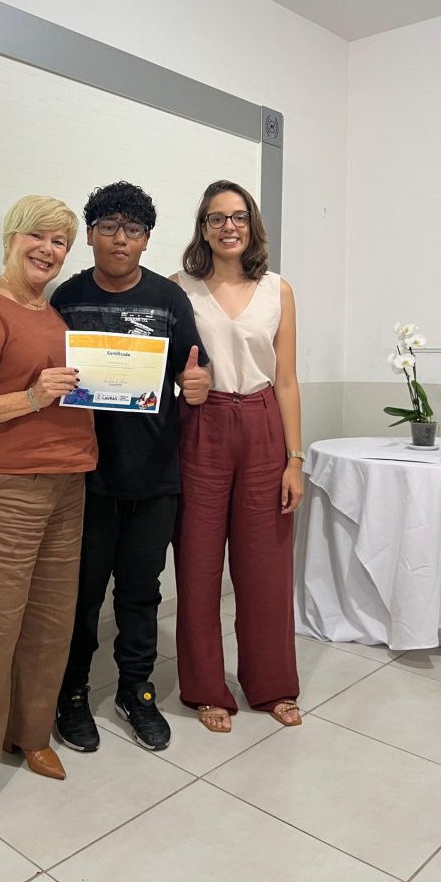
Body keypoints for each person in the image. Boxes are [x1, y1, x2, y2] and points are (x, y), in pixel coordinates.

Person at [0, 195, 97, 834]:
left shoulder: (56, 317)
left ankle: (31, 736)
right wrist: (31, 398)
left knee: (50, 624)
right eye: (38, 236)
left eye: (61, 242)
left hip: (68, 484)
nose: (49, 250)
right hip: (2, 488)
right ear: (11, 238)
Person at [51, 181, 210, 754]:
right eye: (109, 227)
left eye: (134, 229)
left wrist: (198, 384)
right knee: (81, 597)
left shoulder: (169, 300)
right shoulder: (66, 298)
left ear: (146, 240)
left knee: (141, 594)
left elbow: (196, 371)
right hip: (84, 477)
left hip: (154, 475)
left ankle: (136, 691)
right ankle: (71, 693)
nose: (121, 239)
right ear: (91, 235)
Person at [170, 180, 304, 733]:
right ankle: (206, 689)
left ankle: (273, 685)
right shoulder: (179, 288)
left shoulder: (278, 289)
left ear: (252, 226)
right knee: (198, 565)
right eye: (217, 218)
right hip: (201, 426)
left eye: (239, 216)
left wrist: (294, 459)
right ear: (203, 228)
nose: (229, 226)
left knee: (266, 566)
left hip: (263, 424)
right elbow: (166, 372)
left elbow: (287, 380)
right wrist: (185, 384)